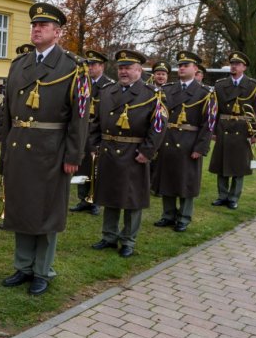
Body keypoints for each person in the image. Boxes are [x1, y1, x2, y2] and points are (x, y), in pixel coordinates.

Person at [0, 3, 90, 295]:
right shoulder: (19, 64)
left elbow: (80, 117)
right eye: (34, 25)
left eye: (43, 26)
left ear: (57, 33)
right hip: (19, 148)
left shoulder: (73, 67)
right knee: (22, 208)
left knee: (47, 211)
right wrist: (5, 147)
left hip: (51, 150)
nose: (36, 29)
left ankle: (42, 270)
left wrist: (74, 155)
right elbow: (7, 112)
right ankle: (23, 266)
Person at [89, 49, 167, 257]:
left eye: (128, 68)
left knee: (132, 199)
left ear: (139, 70)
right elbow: (96, 122)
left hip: (134, 153)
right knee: (110, 195)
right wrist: (93, 144)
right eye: (121, 68)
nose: (123, 72)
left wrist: (147, 152)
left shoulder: (151, 94)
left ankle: (128, 241)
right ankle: (109, 236)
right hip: (108, 151)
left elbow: (158, 127)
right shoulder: (106, 91)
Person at [152, 51, 216, 232]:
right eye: (179, 65)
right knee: (167, 178)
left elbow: (208, 124)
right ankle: (168, 215)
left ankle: (184, 217)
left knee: (186, 181)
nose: (181, 68)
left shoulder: (205, 93)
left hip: (189, 142)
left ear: (195, 69)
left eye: (185, 65)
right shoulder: (167, 89)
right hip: (167, 139)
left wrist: (201, 147)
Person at [209, 51, 256, 209]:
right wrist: (213, 131)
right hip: (223, 126)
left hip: (243, 128)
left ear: (244, 67)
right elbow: (215, 110)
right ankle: (222, 195)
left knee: (239, 165)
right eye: (232, 63)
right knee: (222, 163)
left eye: (237, 64)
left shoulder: (254, 86)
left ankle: (233, 197)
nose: (233, 66)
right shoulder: (220, 85)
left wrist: (255, 133)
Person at [70, 50, 114, 215]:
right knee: (81, 164)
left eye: (94, 65)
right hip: (82, 127)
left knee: (96, 165)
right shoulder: (82, 81)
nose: (90, 68)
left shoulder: (108, 85)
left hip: (97, 129)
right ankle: (83, 199)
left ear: (102, 66)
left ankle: (95, 200)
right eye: (88, 64)